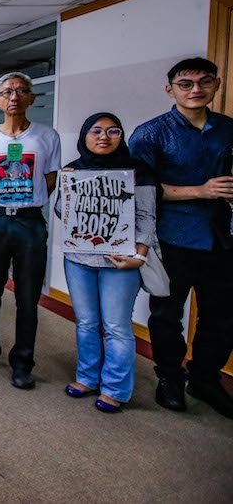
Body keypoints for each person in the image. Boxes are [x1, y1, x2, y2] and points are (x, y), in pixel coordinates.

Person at [129, 57, 233, 419]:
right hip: (172, 236)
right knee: (167, 314)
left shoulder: (229, 129)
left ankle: (204, 378)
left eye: (204, 82)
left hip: (222, 237)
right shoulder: (151, 133)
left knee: (222, 316)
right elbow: (140, 188)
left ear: (217, 85)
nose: (195, 90)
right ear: (169, 88)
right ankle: (169, 377)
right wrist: (200, 191)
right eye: (186, 84)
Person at [57, 112, 156, 413]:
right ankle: (87, 377)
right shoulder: (73, 169)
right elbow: (64, 212)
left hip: (121, 262)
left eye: (113, 131)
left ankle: (115, 388)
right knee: (86, 323)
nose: (104, 137)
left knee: (116, 326)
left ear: (121, 136)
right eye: (96, 131)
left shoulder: (138, 171)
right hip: (79, 259)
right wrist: (66, 186)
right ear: (85, 136)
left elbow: (146, 217)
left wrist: (138, 255)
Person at [0, 72, 61, 389]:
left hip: (30, 222)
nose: (14, 96)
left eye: (22, 90)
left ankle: (23, 361)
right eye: (7, 92)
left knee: (27, 296)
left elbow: (49, 181)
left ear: (32, 98)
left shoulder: (47, 137)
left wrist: (27, 203)